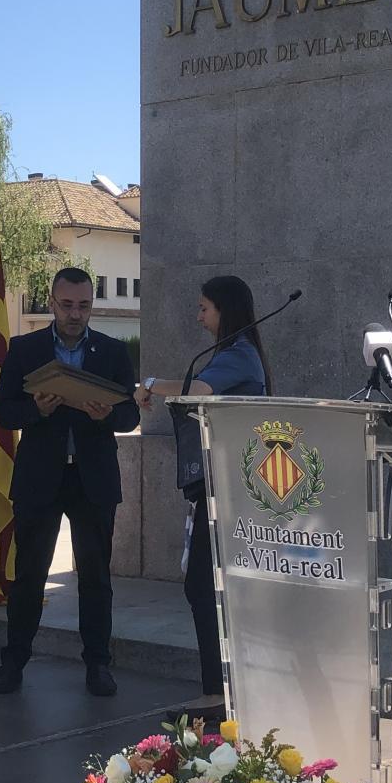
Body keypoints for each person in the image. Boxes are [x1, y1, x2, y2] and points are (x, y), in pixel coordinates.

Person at [0, 268, 140, 698]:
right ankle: (13, 662)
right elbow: (4, 412)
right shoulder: (25, 349)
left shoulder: (111, 351)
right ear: (52, 303)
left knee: (95, 578)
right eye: (68, 305)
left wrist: (106, 416)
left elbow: (130, 414)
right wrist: (37, 410)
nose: (76, 314)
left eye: (84, 306)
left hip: (92, 479)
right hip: (41, 478)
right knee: (29, 575)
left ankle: (98, 665)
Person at [133, 275, 271, 711]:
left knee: (203, 587)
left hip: (230, 489)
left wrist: (151, 384)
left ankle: (217, 692)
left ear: (224, 310)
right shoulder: (233, 354)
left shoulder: (239, 355)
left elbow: (198, 391)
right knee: (207, 588)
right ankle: (226, 688)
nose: (198, 317)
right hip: (220, 486)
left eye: (204, 308)